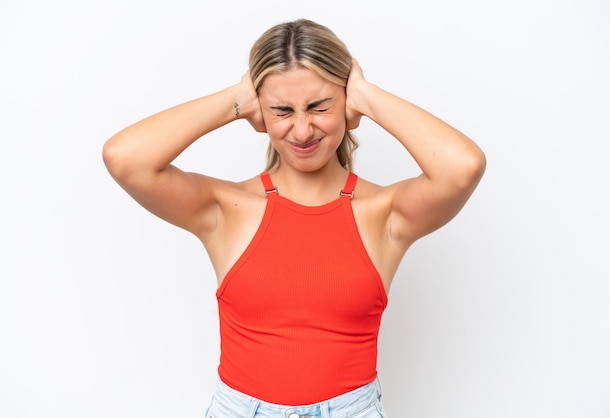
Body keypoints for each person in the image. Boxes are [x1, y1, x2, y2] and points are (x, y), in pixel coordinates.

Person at [103, 18, 486, 418]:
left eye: (320, 106)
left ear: (345, 102)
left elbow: (464, 166)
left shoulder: (385, 214)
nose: (302, 130)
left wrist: (367, 97)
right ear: (259, 112)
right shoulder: (224, 208)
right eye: (282, 110)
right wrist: (235, 98)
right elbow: (124, 158)